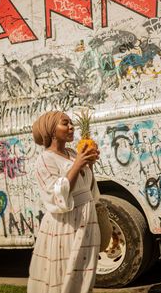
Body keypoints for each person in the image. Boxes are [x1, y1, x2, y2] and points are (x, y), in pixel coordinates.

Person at [27, 110, 101, 293]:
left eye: (71, 123)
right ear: (52, 131)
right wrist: (78, 165)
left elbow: (86, 188)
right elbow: (56, 193)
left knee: (84, 272)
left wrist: (88, 164)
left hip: (86, 218)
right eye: (65, 123)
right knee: (66, 272)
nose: (71, 127)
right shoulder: (44, 159)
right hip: (66, 223)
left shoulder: (72, 153)